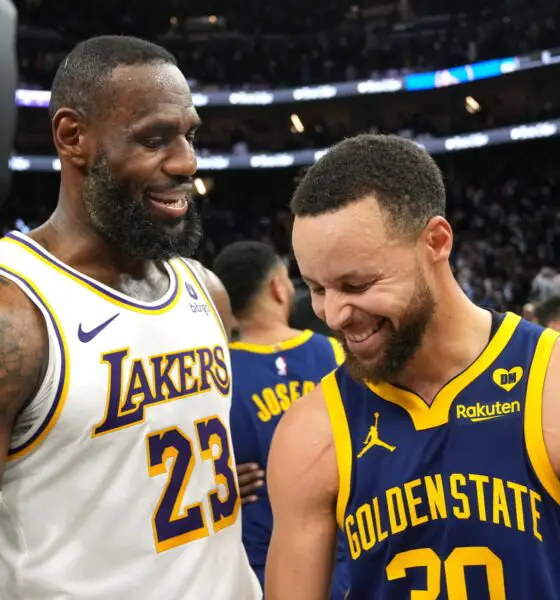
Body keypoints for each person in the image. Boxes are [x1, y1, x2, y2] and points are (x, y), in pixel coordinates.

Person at [0, 35, 261, 600]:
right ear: (74, 138)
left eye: (189, 135)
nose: (187, 162)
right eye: (155, 139)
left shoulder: (205, 290)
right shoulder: (14, 310)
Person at [265, 133, 560, 599]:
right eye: (317, 289)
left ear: (437, 241)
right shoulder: (312, 430)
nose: (335, 315)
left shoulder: (549, 381)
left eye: (357, 284)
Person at [213, 240, 348, 596]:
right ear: (276, 287)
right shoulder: (333, 353)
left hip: (254, 565)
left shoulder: (213, 371)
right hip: (338, 556)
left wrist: (212, 485)